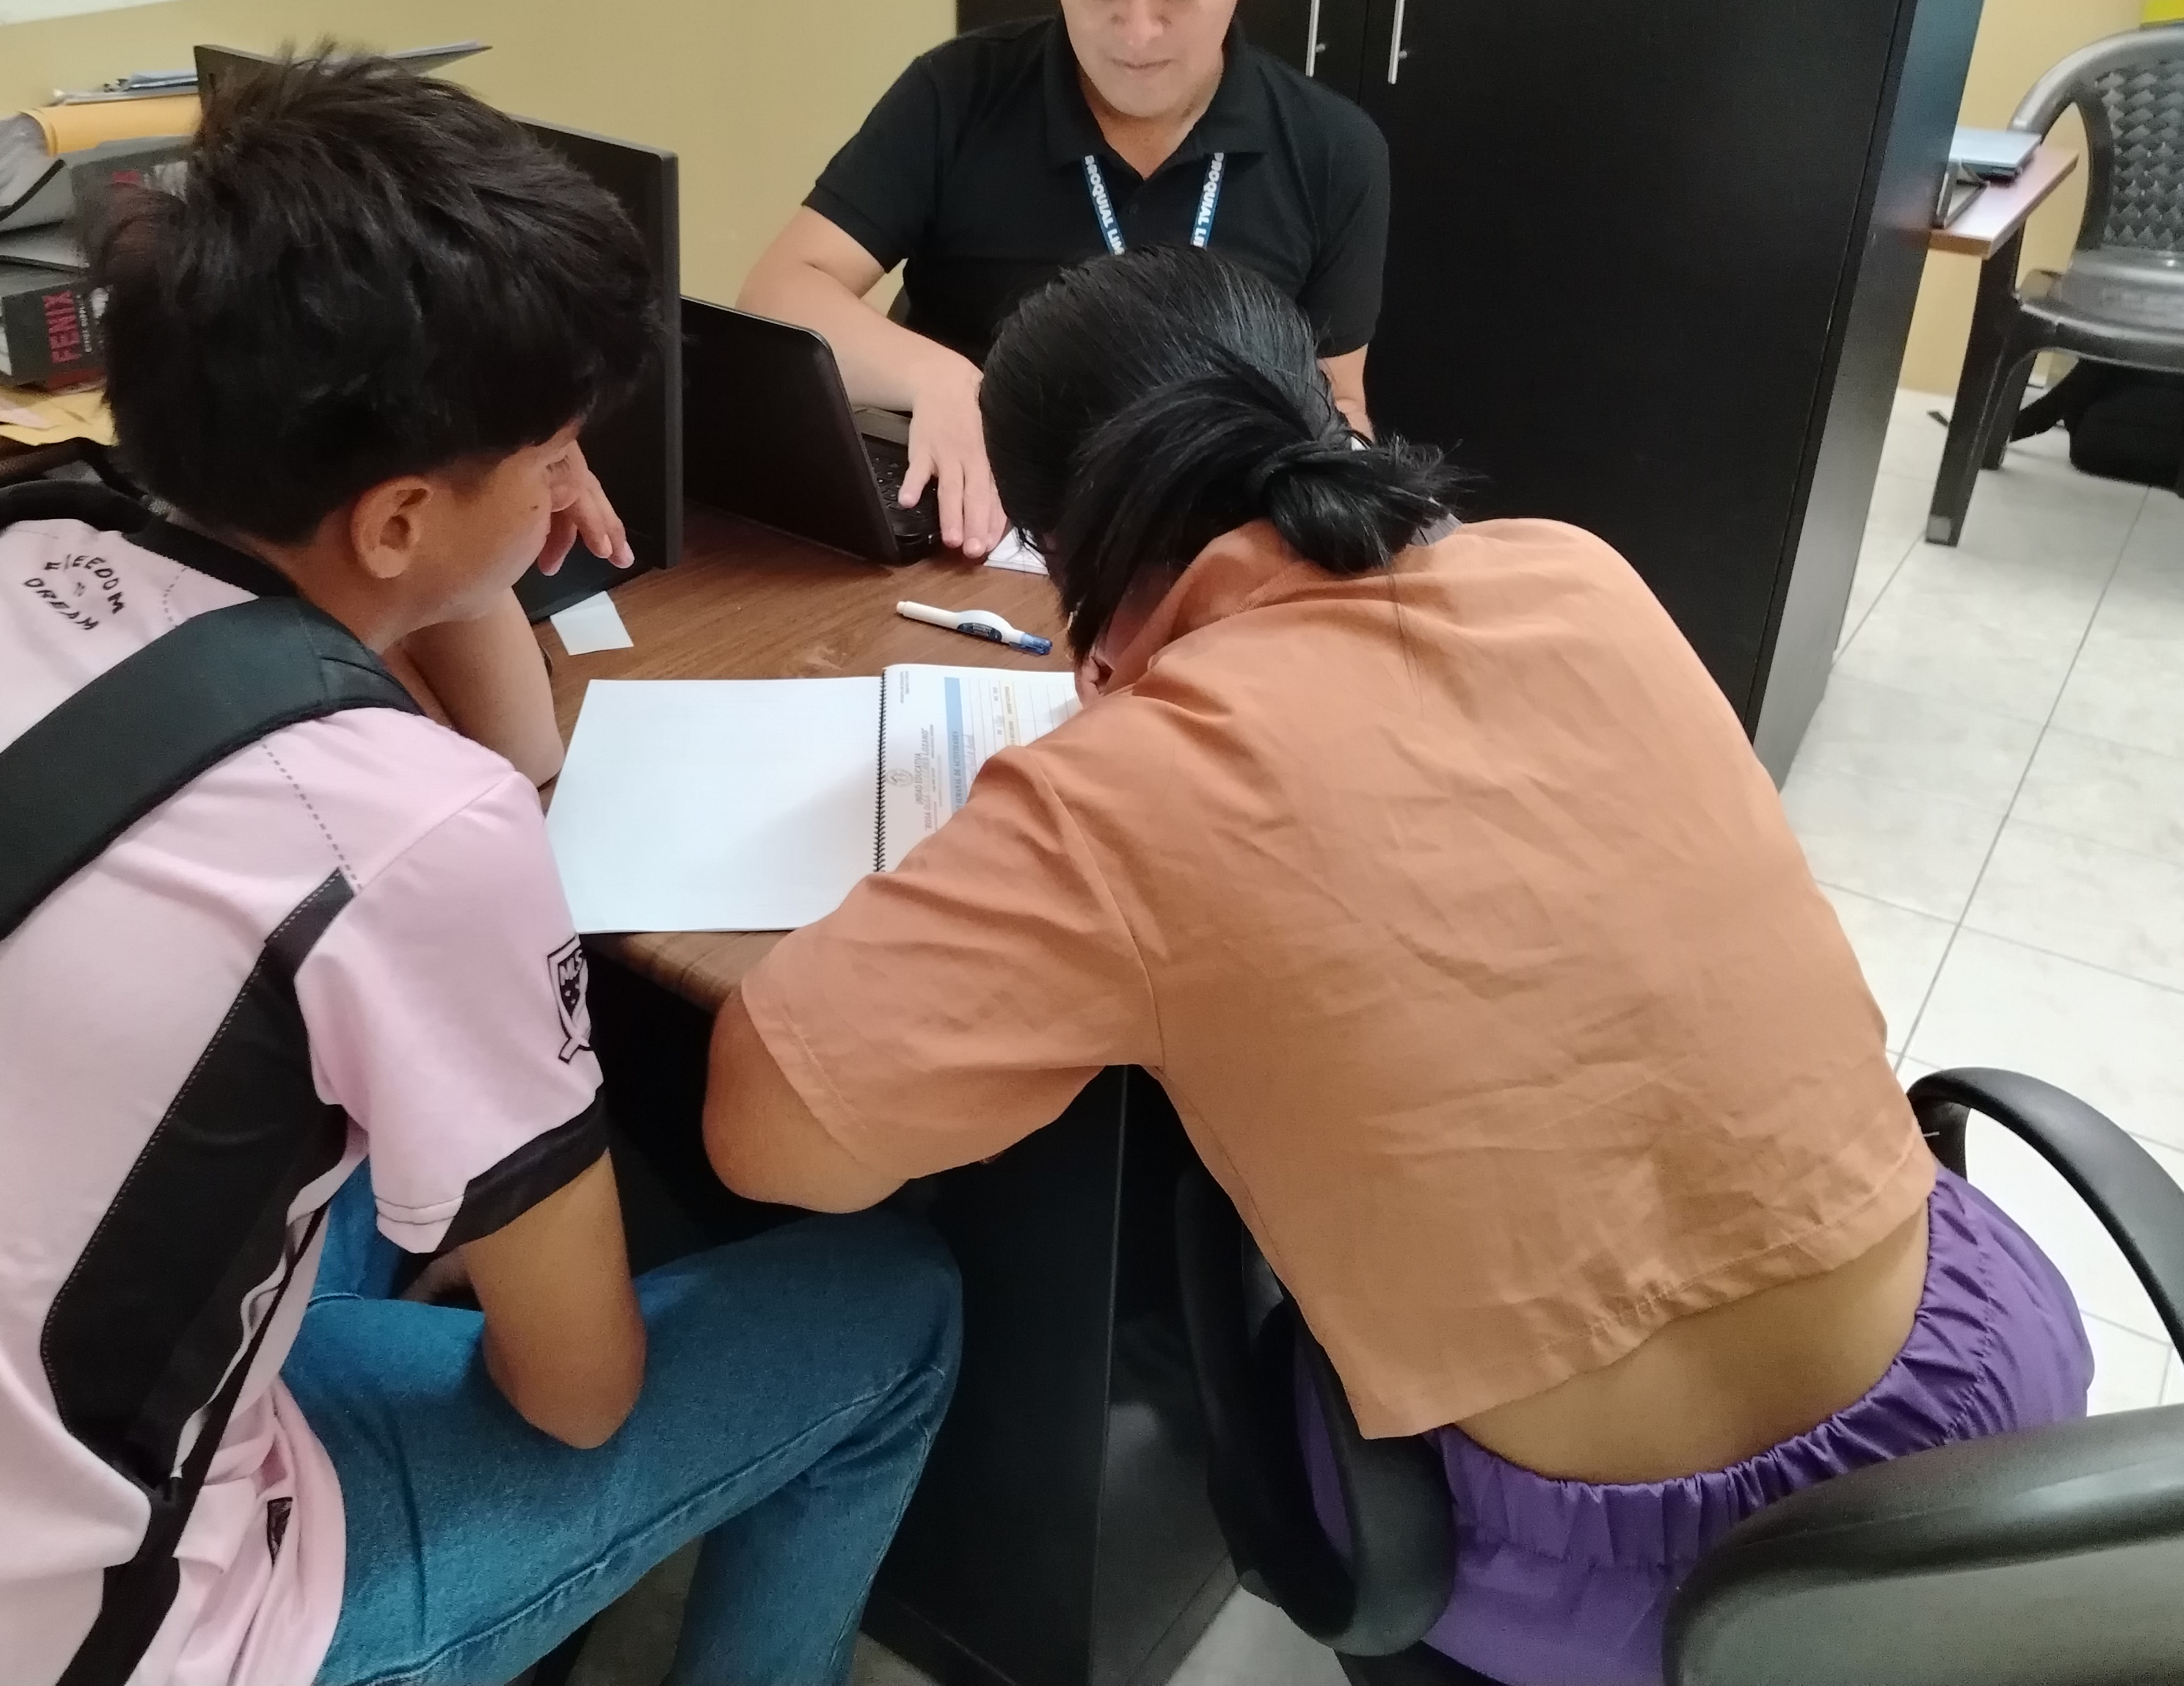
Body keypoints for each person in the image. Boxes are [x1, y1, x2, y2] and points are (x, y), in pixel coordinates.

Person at [698, 248, 2091, 1686]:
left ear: (1064, 552)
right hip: (1981, 1401)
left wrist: (1091, 754)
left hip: (1663, 1586)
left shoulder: (1124, 790)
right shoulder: (1577, 573)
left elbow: (768, 1136)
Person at [0, 53, 960, 1686]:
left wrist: (480, 523)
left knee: (390, 1169)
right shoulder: (398, 820)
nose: (570, 483)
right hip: (131, 1634)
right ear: (395, 517)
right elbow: (581, 1396)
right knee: (893, 1302)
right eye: (551, 452)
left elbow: (514, 759)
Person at [738, 0, 1391, 558]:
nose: (1138, 32)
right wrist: (938, 377)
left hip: (1205, 554)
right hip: (975, 544)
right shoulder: (959, 96)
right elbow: (777, 293)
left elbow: (1338, 402)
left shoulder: (1333, 151)